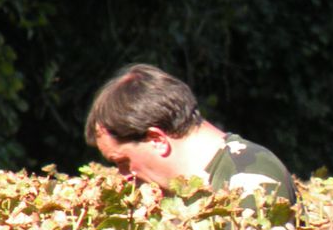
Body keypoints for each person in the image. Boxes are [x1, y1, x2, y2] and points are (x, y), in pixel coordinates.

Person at [84, 64, 297, 211]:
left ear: (156, 139)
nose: (124, 176)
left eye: (123, 162)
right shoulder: (172, 196)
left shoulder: (249, 177)